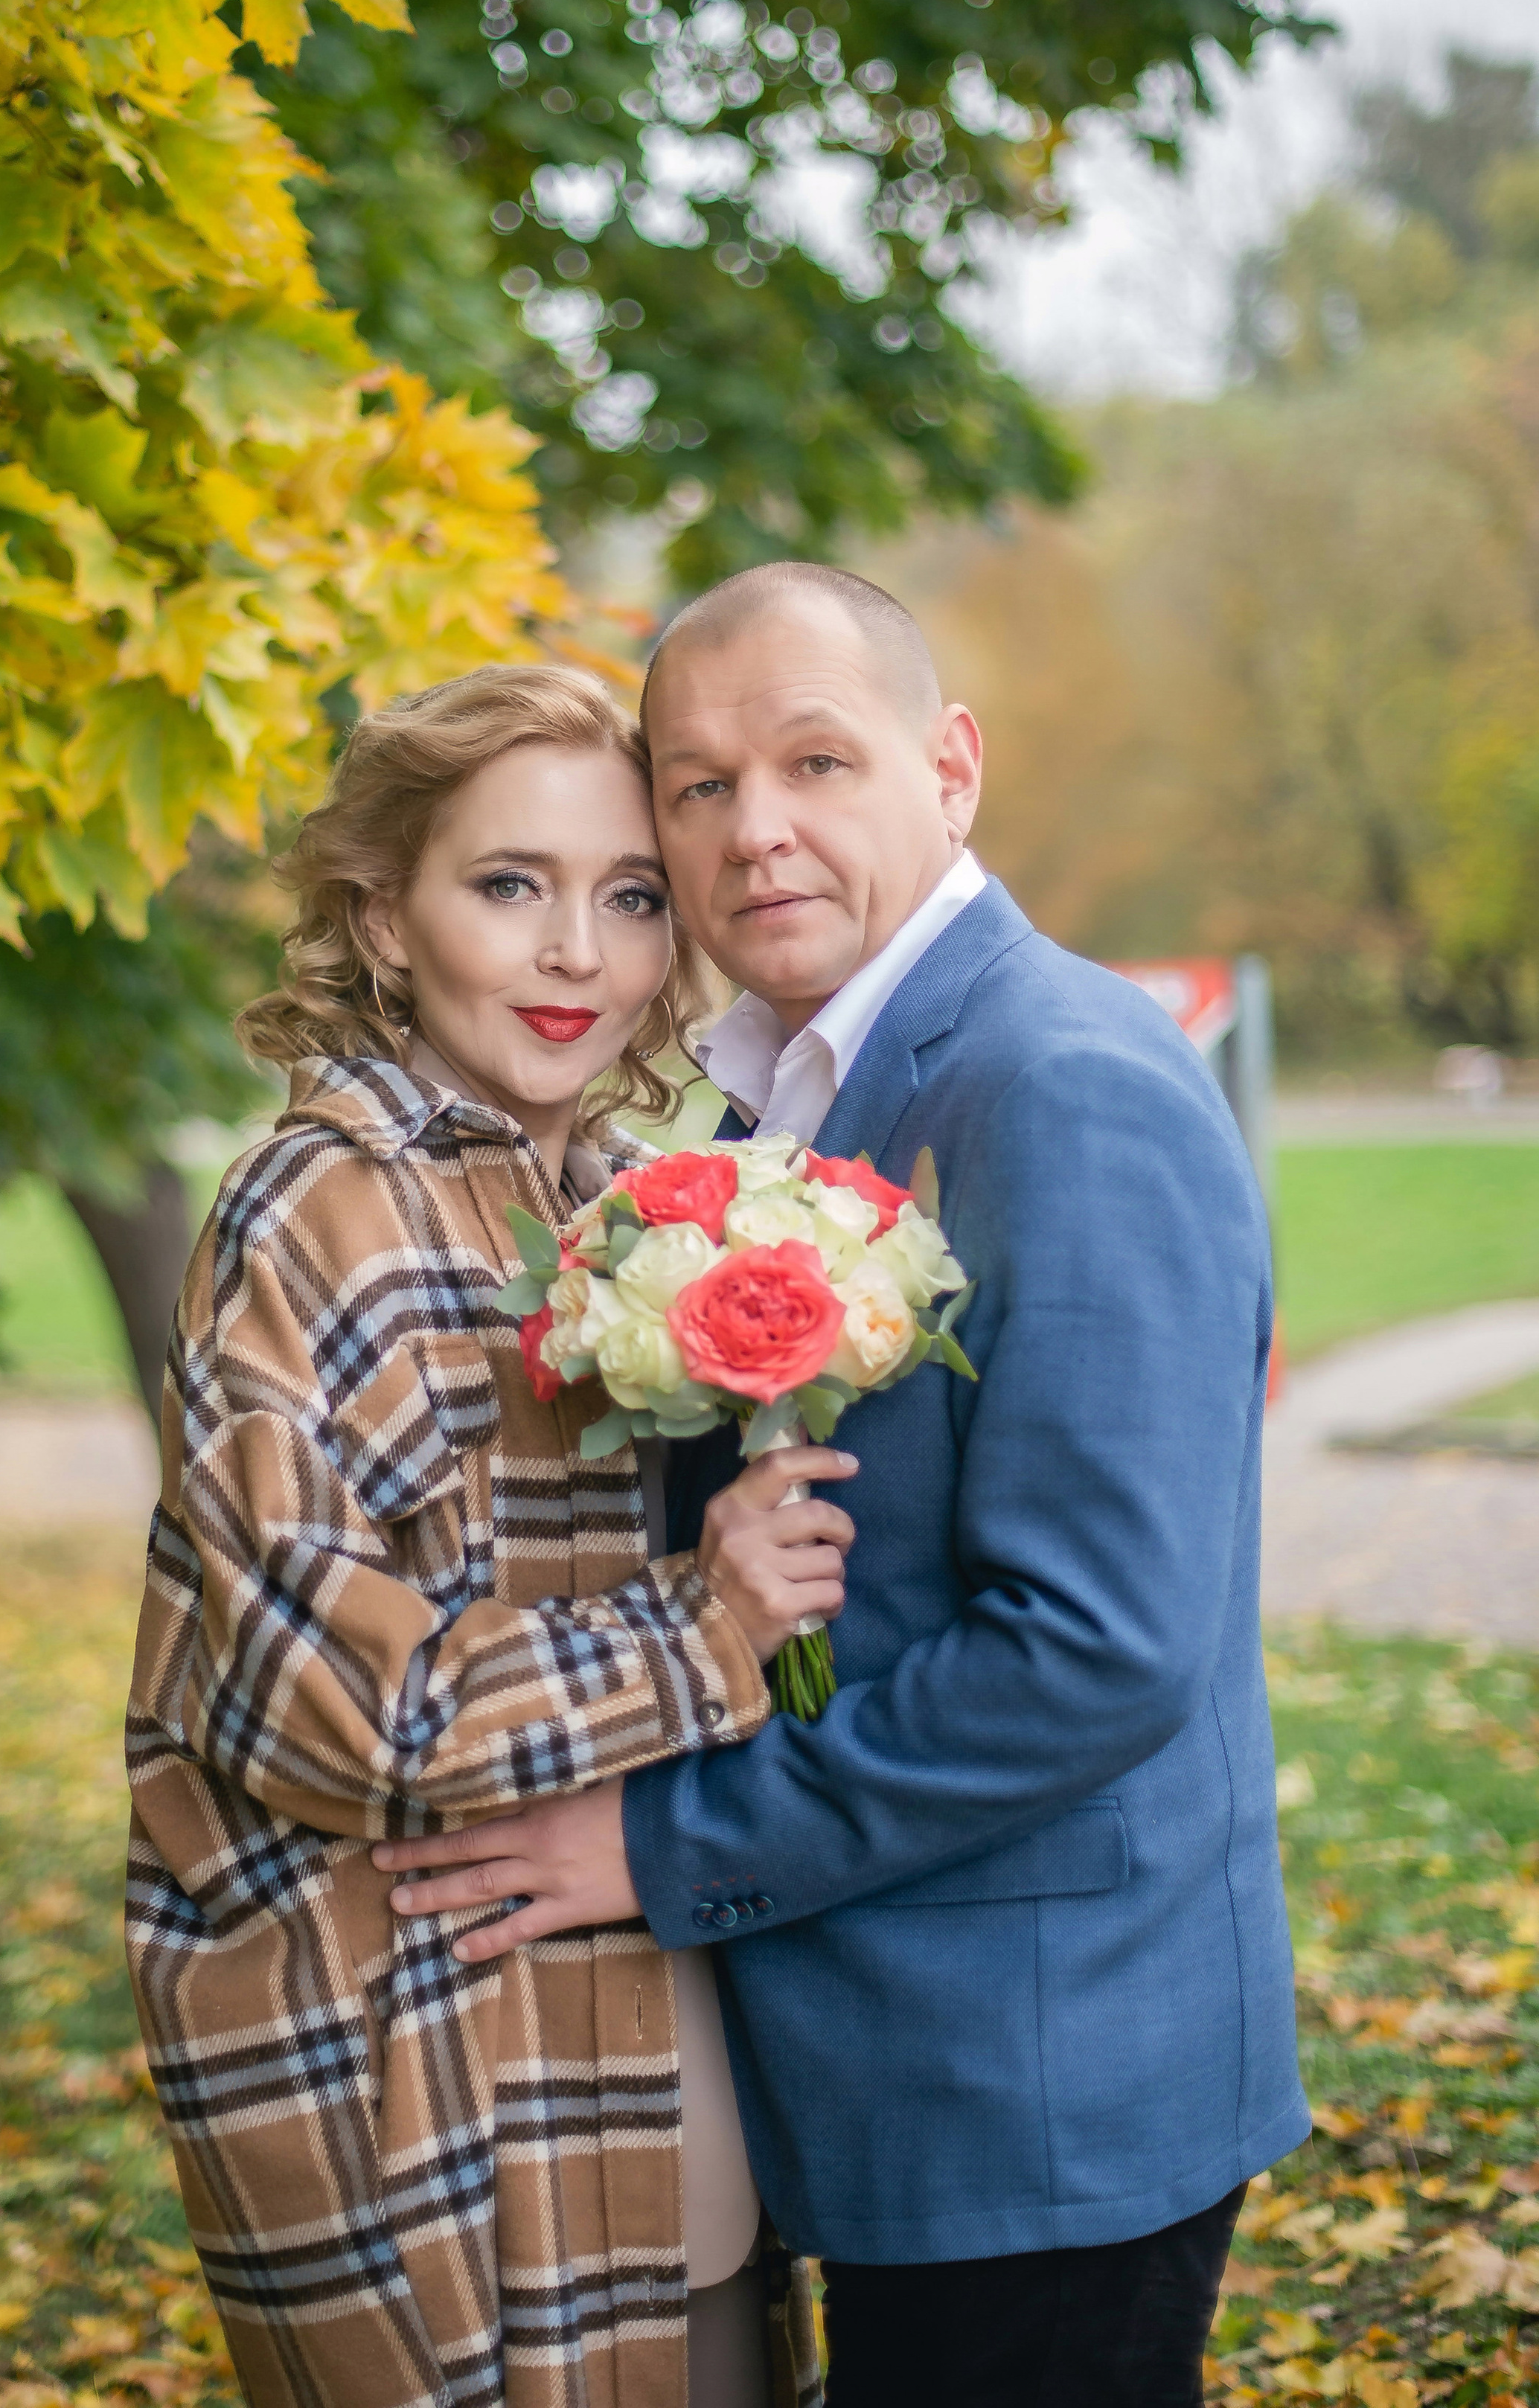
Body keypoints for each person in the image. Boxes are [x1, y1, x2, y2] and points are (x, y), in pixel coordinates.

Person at [377, 569, 1311, 2407]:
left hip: (1036, 2090)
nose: (755, 831)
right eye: (698, 785)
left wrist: (653, 1850)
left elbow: (1095, 1653)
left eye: (816, 759)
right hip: (884, 2070)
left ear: (947, 769)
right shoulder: (771, 1101)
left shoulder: (1052, 1083)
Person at [123, 661, 851, 2408]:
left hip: (640, 2009)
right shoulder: (322, 1206)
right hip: (426, 2042)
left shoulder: (615, 1198)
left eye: (624, 898)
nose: (574, 957)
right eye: (506, 885)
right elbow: (337, 1707)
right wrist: (705, 1625)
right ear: (382, 919)